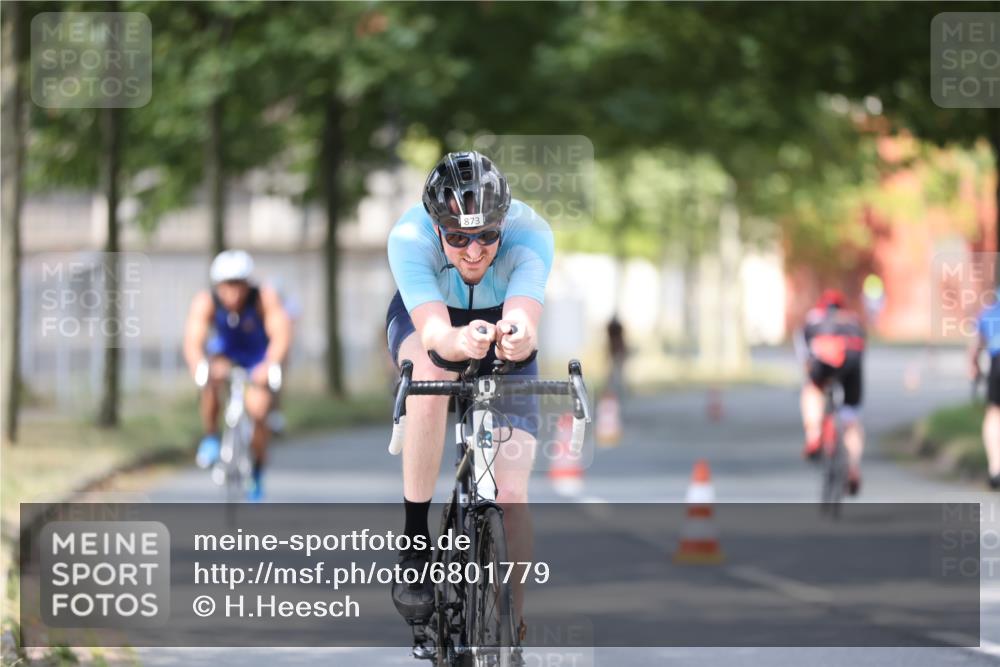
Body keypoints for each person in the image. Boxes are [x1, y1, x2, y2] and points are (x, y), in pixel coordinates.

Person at [385, 151, 553, 634]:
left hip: (501, 319)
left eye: (486, 236)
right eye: (458, 238)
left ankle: (511, 623)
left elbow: (525, 318)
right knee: (428, 382)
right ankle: (416, 542)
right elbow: (436, 334)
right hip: (430, 318)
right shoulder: (409, 237)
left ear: (504, 222)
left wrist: (518, 336)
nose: (474, 251)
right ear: (437, 229)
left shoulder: (532, 233)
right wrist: (458, 343)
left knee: (513, 490)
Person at [183, 250, 293, 501]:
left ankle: (257, 468)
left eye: (238, 285)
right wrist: (199, 365)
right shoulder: (206, 301)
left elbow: (280, 332)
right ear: (217, 286)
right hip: (225, 355)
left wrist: (271, 364)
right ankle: (210, 436)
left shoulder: (264, 298)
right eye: (226, 286)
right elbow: (193, 338)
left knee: (259, 410)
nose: (232, 293)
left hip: (257, 359)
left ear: (247, 284)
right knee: (210, 379)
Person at [797, 288, 866, 495]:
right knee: (851, 419)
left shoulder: (813, 318)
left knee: (812, 390)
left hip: (824, 360)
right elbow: (863, 349)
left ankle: (814, 435)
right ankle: (853, 467)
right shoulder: (853, 320)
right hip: (852, 363)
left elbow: (804, 354)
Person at [969, 288, 1000, 489]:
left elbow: (976, 344)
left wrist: (973, 365)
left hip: (997, 361)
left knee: (994, 414)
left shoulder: (990, 310)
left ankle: (995, 467)